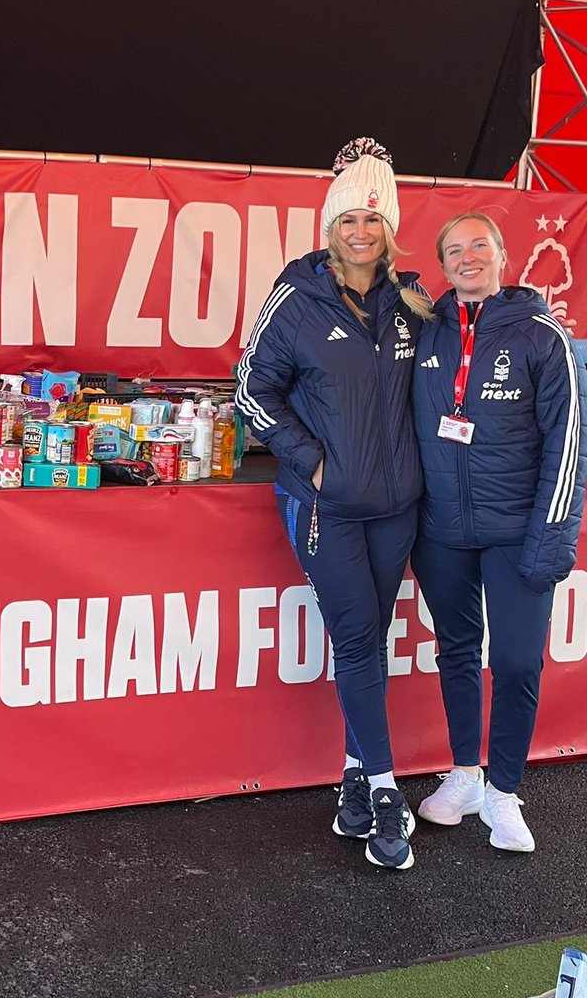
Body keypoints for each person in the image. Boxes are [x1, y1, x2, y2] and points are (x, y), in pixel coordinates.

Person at [236, 137, 432, 870]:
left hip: (398, 508)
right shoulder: (296, 296)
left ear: (390, 229)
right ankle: (384, 790)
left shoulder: (412, 303)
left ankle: (353, 782)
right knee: (355, 640)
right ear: (330, 227)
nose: (361, 232)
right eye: (349, 219)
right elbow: (252, 388)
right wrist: (311, 462)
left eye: (374, 221)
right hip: (328, 508)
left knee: (368, 641)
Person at [410, 213, 586, 852]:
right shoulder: (427, 334)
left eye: (478, 245)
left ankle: (505, 792)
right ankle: (464, 775)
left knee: (515, 660)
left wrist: (550, 539)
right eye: (453, 250)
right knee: (456, 650)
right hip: (444, 531)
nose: (466, 258)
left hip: (518, 532)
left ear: (503, 255)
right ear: (444, 265)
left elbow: (569, 444)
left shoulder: (544, 336)